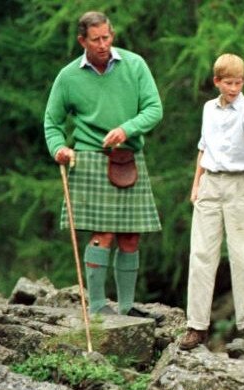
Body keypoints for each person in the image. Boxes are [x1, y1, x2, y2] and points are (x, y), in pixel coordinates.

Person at [44, 11, 163, 319]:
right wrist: (59, 148)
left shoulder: (135, 66)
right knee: (104, 233)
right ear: (82, 40)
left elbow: (154, 109)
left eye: (107, 37)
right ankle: (97, 306)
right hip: (90, 159)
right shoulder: (68, 77)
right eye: (95, 39)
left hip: (129, 157)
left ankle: (125, 308)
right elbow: (52, 122)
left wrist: (127, 129)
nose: (102, 45)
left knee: (131, 236)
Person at [179, 54, 244, 351]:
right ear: (217, 81)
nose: (234, 88)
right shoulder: (208, 108)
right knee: (202, 254)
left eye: (239, 82)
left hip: (238, 185)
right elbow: (203, 147)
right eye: (229, 83)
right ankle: (196, 326)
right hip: (209, 184)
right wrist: (196, 184)